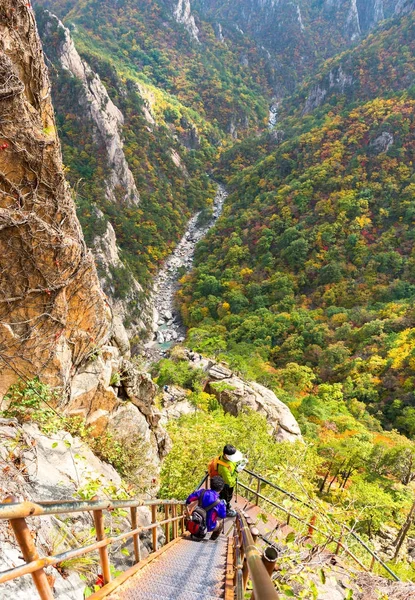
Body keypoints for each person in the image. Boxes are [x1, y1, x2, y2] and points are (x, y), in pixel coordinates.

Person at [185, 476, 227, 540]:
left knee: (189, 516)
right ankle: (212, 539)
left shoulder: (201, 492)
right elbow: (223, 515)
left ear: (211, 484)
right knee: (220, 523)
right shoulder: (220, 503)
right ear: (221, 489)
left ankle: (195, 530)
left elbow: (189, 499)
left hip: (197, 522)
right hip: (210, 526)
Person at [217, 444, 247, 517]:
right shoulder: (223, 468)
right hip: (226, 485)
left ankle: (225, 504)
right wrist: (237, 471)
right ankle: (226, 510)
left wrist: (240, 463)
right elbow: (229, 483)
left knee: (225, 497)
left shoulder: (226, 458)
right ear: (226, 455)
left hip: (225, 481)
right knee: (226, 497)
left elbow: (233, 463)